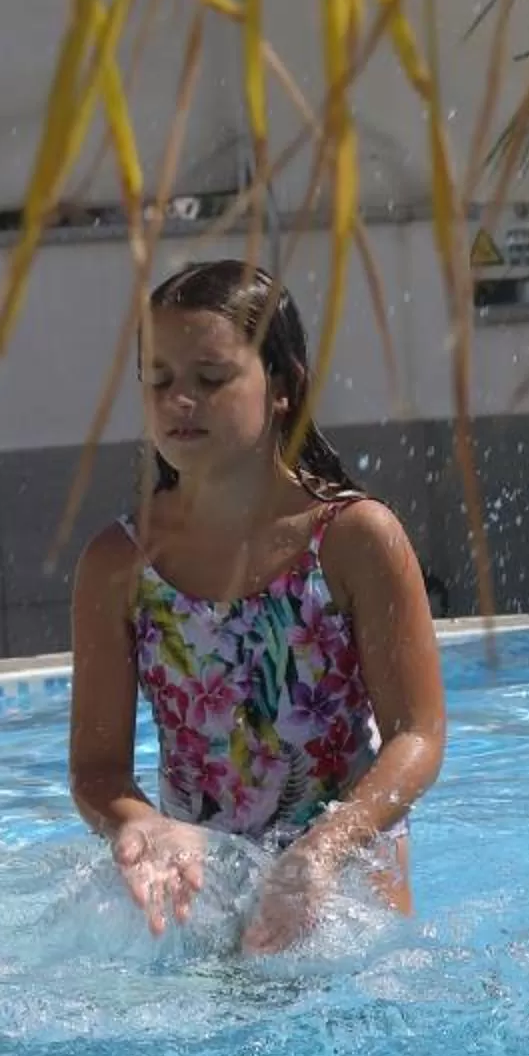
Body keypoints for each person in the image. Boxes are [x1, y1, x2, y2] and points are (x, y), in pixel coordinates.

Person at [68, 259, 446, 951]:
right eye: (158, 381)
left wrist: (323, 850)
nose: (180, 399)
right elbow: (97, 770)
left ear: (282, 386)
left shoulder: (356, 540)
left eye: (210, 379)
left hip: (346, 895)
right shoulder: (118, 567)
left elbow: (418, 737)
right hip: (198, 898)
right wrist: (139, 824)